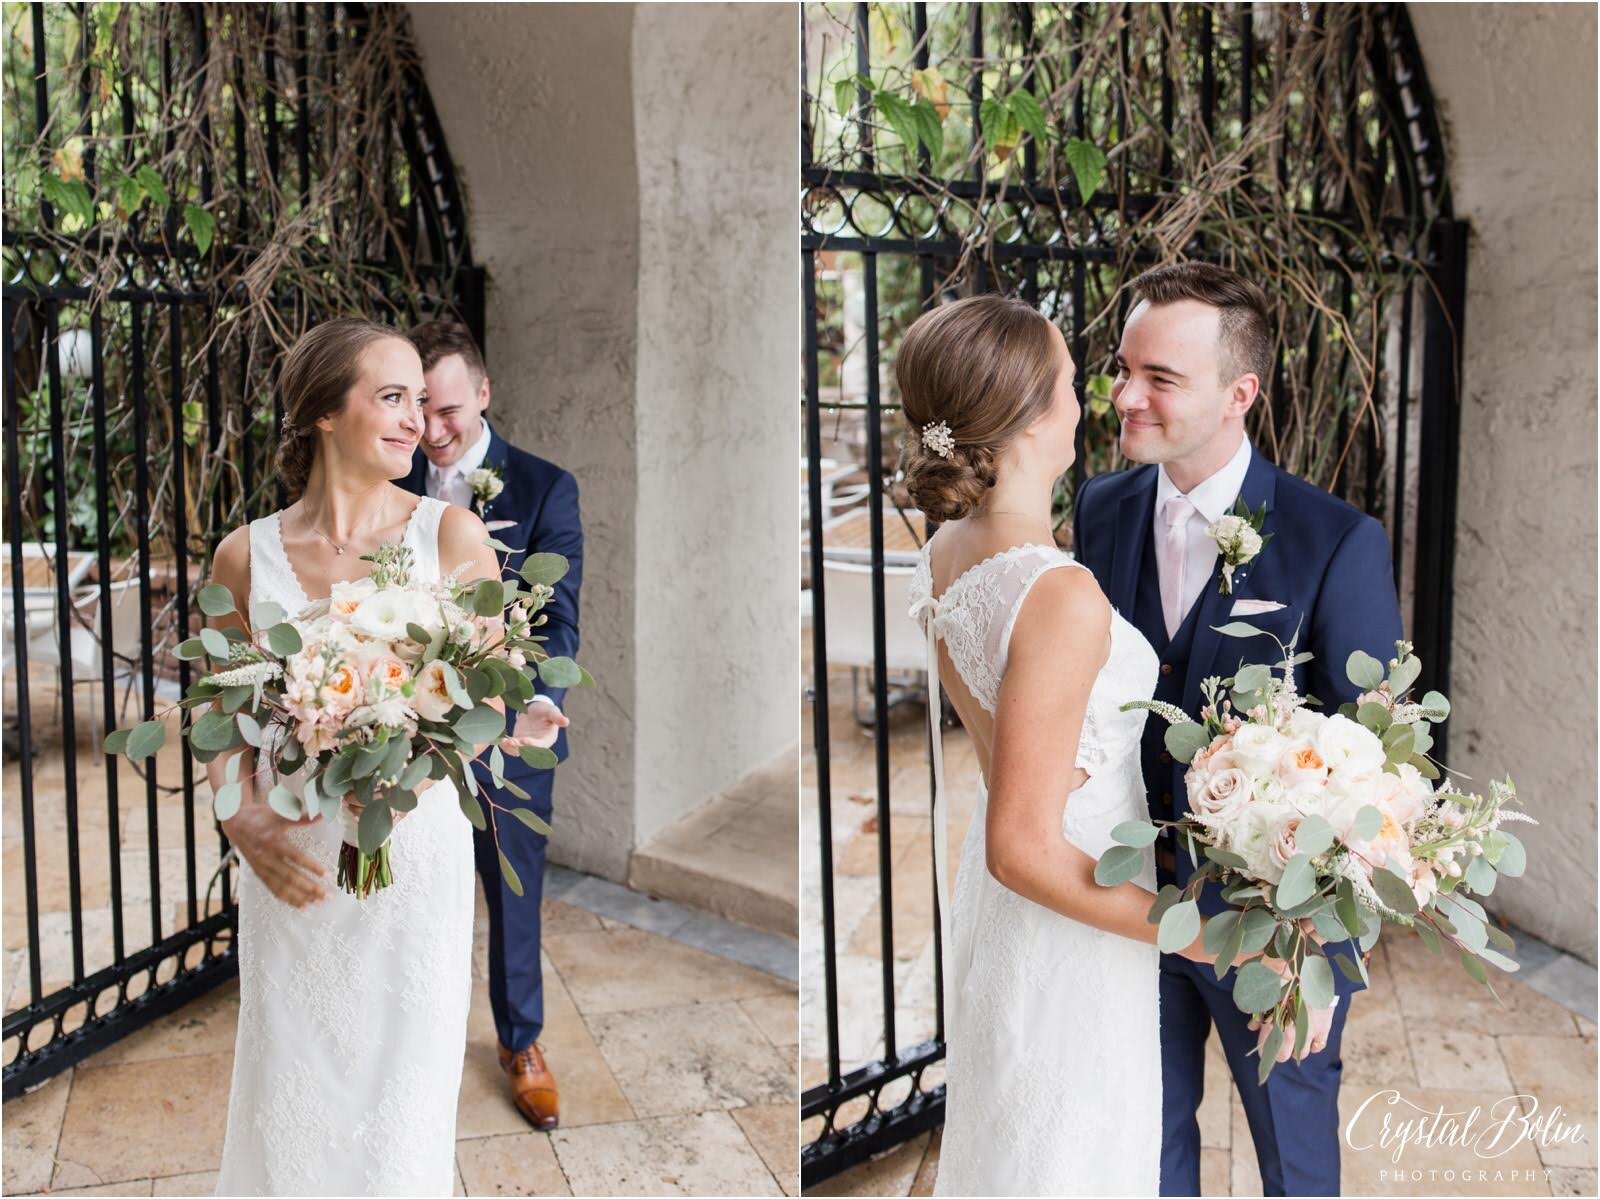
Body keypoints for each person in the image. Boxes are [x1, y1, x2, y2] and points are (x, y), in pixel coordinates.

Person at [1073, 261, 1403, 1196]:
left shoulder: (1335, 540)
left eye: (1160, 378)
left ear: (1239, 394)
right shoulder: (1100, 509)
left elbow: (1376, 762)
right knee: (1147, 1144)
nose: (1126, 395)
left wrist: (1309, 938)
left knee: (1294, 1155)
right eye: (1123, 367)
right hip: (1130, 907)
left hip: (1272, 929)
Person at [210, 318, 557, 1195]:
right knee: (292, 1077)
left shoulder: (451, 539)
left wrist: (490, 718)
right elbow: (217, 713)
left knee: (401, 1096)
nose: (417, 421)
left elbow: (487, 699)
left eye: (420, 400)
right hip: (294, 860)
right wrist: (238, 811)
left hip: (413, 858)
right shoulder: (244, 556)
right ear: (326, 412)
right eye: (392, 397)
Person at [902, 294, 1209, 1196]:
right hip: (1072, 908)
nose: (1094, 398)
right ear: (1035, 414)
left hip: (1017, 920)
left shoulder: (948, 549)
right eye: (1077, 382)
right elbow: (1022, 845)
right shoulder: (1058, 593)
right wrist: (1196, 937)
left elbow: (1008, 766)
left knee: (1020, 1146)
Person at [399, 319, 582, 1131]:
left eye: (448, 412)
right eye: (419, 412)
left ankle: (522, 1042)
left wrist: (537, 700)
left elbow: (559, 616)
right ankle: (407, 1033)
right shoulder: (391, 479)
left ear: (483, 393)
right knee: (402, 879)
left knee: (512, 887)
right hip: (404, 723)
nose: (433, 433)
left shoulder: (544, 487)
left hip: (510, 730)